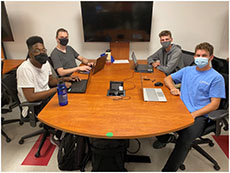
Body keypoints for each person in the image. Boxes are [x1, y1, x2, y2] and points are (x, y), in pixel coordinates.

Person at [153, 42, 226, 171]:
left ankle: (169, 170)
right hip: (180, 108)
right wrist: (172, 88)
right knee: (154, 116)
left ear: (211, 58)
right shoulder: (188, 70)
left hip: (199, 115)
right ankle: (166, 137)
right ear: (194, 56)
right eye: (198, 55)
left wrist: (194, 114)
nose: (200, 58)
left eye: (204, 55)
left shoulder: (216, 78)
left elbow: (215, 105)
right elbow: (167, 79)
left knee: (184, 140)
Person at [17, 36, 78, 145]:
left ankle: (69, 130)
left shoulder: (45, 63)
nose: (42, 53)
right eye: (37, 51)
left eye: (43, 50)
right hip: (35, 104)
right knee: (68, 104)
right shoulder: (24, 69)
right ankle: (56, 135)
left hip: (47, 96)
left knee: (74, 96)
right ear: (30, 54)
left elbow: (50, 81)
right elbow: (30, 97)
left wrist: (65, 79)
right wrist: (59, 88)